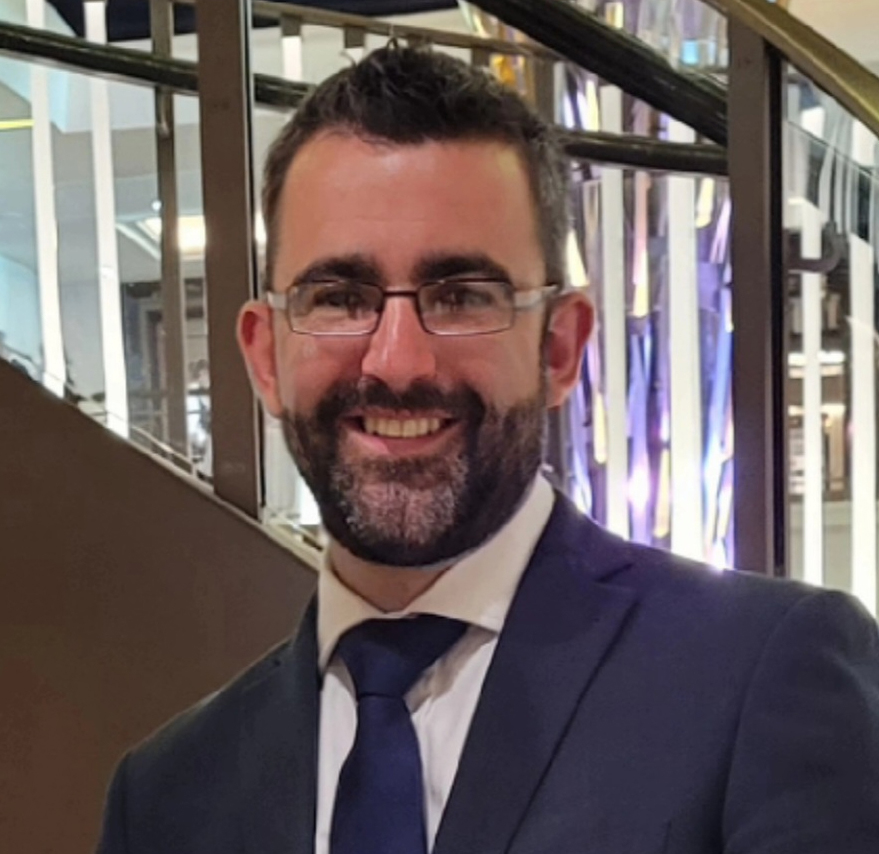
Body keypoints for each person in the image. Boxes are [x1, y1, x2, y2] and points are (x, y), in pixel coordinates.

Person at [97, 46, 879, 854]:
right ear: (265, 357)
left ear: (559, 349)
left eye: (463, 294)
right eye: (337, 297)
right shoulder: (168, 794)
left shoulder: (759, 677)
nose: (396, 361)